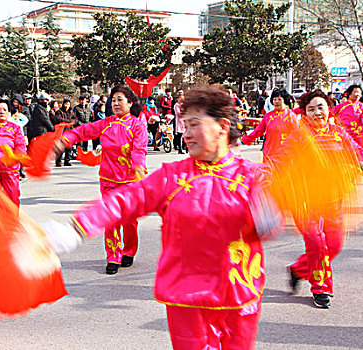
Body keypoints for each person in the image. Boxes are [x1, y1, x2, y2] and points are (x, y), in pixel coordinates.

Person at [46, 85, 279, 348]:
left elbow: (271, 226)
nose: (186, 134)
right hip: (186, 296)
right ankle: (116, 254)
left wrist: (269, 217)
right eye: (185, 126)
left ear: (222, 127)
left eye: (194, 125)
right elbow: (126, 199)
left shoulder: (252, 177)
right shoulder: (172, 177)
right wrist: (77, 228)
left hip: (238, 293)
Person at [271, 90, 363, 309]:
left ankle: (298, 269)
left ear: (328, 109)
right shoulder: (299, 136)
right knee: (316, 243)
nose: (316, 112)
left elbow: (357, 152)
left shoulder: (339, 133)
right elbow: (279, 160)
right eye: (310, 109)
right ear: (304, 113)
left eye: (320, 107)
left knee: (335, 245)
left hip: (333, 198)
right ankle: (321, 288)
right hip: (305, 200)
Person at [60, 85, 147, 275]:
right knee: (111, 220)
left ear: (130, 103)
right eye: (113, 100)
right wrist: (66, 139)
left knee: (129, 221)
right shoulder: (106, 123)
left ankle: (129, 251)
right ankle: (113, 256)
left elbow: (139, 149)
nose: (115, 103)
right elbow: (84, 131)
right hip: (108, 179)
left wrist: (138, 165)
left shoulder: (137, 125)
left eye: (120, 100)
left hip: (129, 181)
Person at [241, 89, 299, 163]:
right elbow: (258, 131)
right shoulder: (268, 116)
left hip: (286, 153)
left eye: (279, 99)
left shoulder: (291, 116)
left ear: (285, 100)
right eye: (274, 99)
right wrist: (245, 140)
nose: (277, 102)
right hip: (270, 152)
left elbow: (296, 135)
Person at [53, 99, 78, 167]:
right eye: (65, 104)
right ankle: (58, 161)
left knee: (69, 146)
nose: (66, 106)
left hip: (69, 131)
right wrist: (68, 121)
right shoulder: (59, 111)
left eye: (68, 104)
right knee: (60, 147)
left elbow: (75, 119)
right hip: (61, 130)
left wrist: (71, 122)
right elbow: (58, 119)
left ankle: (67, 160)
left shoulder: (71, 111)